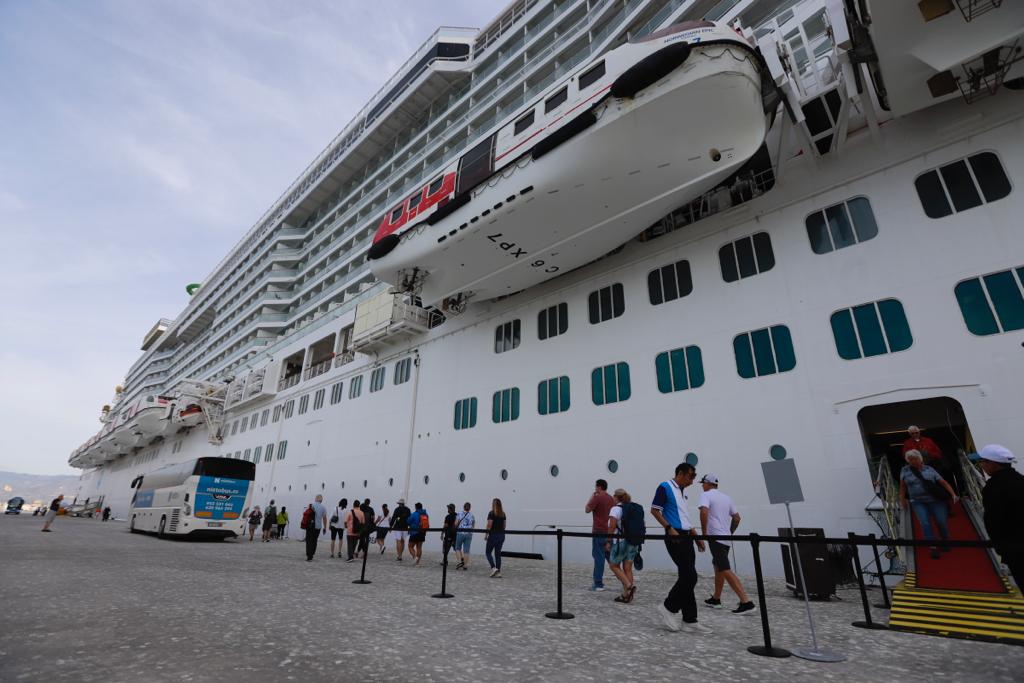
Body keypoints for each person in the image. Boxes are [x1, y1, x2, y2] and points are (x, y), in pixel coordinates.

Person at [650, 462, 709, 634]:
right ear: (681, 473)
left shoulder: (682, 492)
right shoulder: (665, 487)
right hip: (675, 537)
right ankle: (668, 607)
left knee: (687, 576)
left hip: (687, 535)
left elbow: (684, 517)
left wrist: (696, 537)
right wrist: (669, 528)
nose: (693, 480)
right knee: (690, 576)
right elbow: (654, 510)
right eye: (691, 476)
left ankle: (690, 620)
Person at [698, 474, 754, 614]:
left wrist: (704, 533)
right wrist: (730, 532)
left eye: (703, 483)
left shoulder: (706, 495)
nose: (702, 485)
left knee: (724, 568)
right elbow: (737, 518)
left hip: (715, 537)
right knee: (718, 566)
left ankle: (746, 602)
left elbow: (703, 512)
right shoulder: (726, 498)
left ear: (708, 483)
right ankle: (716, 599)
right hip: (726, 538)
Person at [972, 444, 1024, 589]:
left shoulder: (993, 487)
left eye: (982, 461)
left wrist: (1001, 548)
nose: (981, 465)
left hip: (1015, 548)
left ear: (993, 464)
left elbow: (993, 521)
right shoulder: (1021, 479)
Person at [900, 450, 958, 559]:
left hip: (935, 500)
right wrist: (902, 499)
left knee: (941, 521)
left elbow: (942, 482)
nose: (913, 461)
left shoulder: (929, 469)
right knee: (925, 522)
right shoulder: (905, 470)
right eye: (910, 460)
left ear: (920, 459)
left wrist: (953, 494)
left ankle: (945, 540)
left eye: (915, 459)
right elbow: (903, 486)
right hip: (917, 501)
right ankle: (933, 546)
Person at [606, 489, 641, 603]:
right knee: (628, 569)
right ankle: (626, 595)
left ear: (616, 497)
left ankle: (629, 587)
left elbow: (612, 526)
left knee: (613, 565)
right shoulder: (632, 508)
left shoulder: (615, 509)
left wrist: (608, 541)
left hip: (620, 542)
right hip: (633, 541)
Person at [585, 479, 615, 592]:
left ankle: (598, 584)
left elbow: (587, 509)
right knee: (611, 558)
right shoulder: (611, 498)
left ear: (599, 487)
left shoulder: (597, 497)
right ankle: (624, 580)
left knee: (598, 557)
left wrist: (592, 497)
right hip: (609, 531)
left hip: (598, 531)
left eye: (595, 486)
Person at [485, 498, 507, 577]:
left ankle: (493, 568)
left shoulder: (491, 513)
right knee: (497, 554)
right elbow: (504, 526)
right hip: (501, 535)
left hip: (493, 535)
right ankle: (498, 572)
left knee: (488, 552)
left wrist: (486, 534)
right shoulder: (503, 514)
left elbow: (489, 525)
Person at [305, 494, 329, 561]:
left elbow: (306, 515)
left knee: (309, 540)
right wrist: (325, 527)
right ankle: (312, 553)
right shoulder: (323, 508)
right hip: (318, 527)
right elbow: (324, 518)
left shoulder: (311, 505)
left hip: (310, 526)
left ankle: (309, 555)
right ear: (321, 500)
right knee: (314, 540)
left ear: (315, 499)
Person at [454, 502, 475, 570]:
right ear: (470, 508)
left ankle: (460, 562)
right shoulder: (472, 515)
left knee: (457, 548)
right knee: (466, 550)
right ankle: (465, 565)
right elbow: (473, 525)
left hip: (460, 533)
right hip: (468, 534)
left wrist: (456, 526)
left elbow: (456, 524)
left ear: (464, 507)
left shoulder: (459, 514)